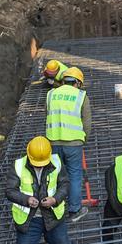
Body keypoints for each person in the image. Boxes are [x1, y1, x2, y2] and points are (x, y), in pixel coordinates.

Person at [5, 136, 75, 244]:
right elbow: (9, 191)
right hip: (30, 220)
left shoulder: (56, 162)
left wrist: (55, 199)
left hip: (53, 216)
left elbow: (65, 184)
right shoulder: (18, 166)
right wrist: (26, 200)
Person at [45, 66, 92, 222]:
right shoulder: (81, 96)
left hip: (53, 142)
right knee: (74, 176)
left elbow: (48, 114)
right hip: (73, 144)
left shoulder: (51, 94)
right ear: (77, 83)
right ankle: (74, 210)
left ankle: (54, 207)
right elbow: (87, 122)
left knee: (55, 175)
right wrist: (83, 138)